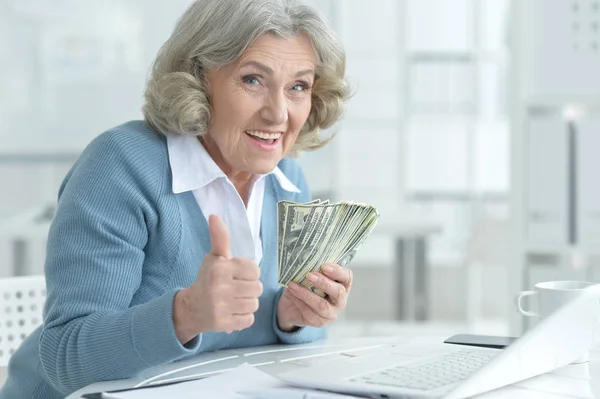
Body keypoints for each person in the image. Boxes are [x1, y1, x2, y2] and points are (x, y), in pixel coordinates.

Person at [0, 0, 351, 398]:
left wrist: (291, 319)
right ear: (199, 79)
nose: (278, 114)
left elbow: (285, 352)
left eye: (298, 87)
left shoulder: (288, 179)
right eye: (253, 80)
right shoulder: (120, 166)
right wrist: (183, 315)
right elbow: (66, 357)